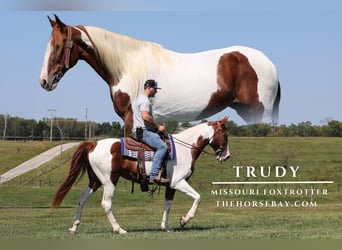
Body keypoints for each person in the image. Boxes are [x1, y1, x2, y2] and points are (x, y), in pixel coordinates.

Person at [132, 79, 168, 183]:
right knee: (162, 147)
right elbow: (146, 117)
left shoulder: (138, 99)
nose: (156, 91)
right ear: (149, 88)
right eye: (155, 89)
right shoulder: (145, 101)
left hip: (139, 130)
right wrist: (158, 127)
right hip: (144, 132)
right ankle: (154, 175)